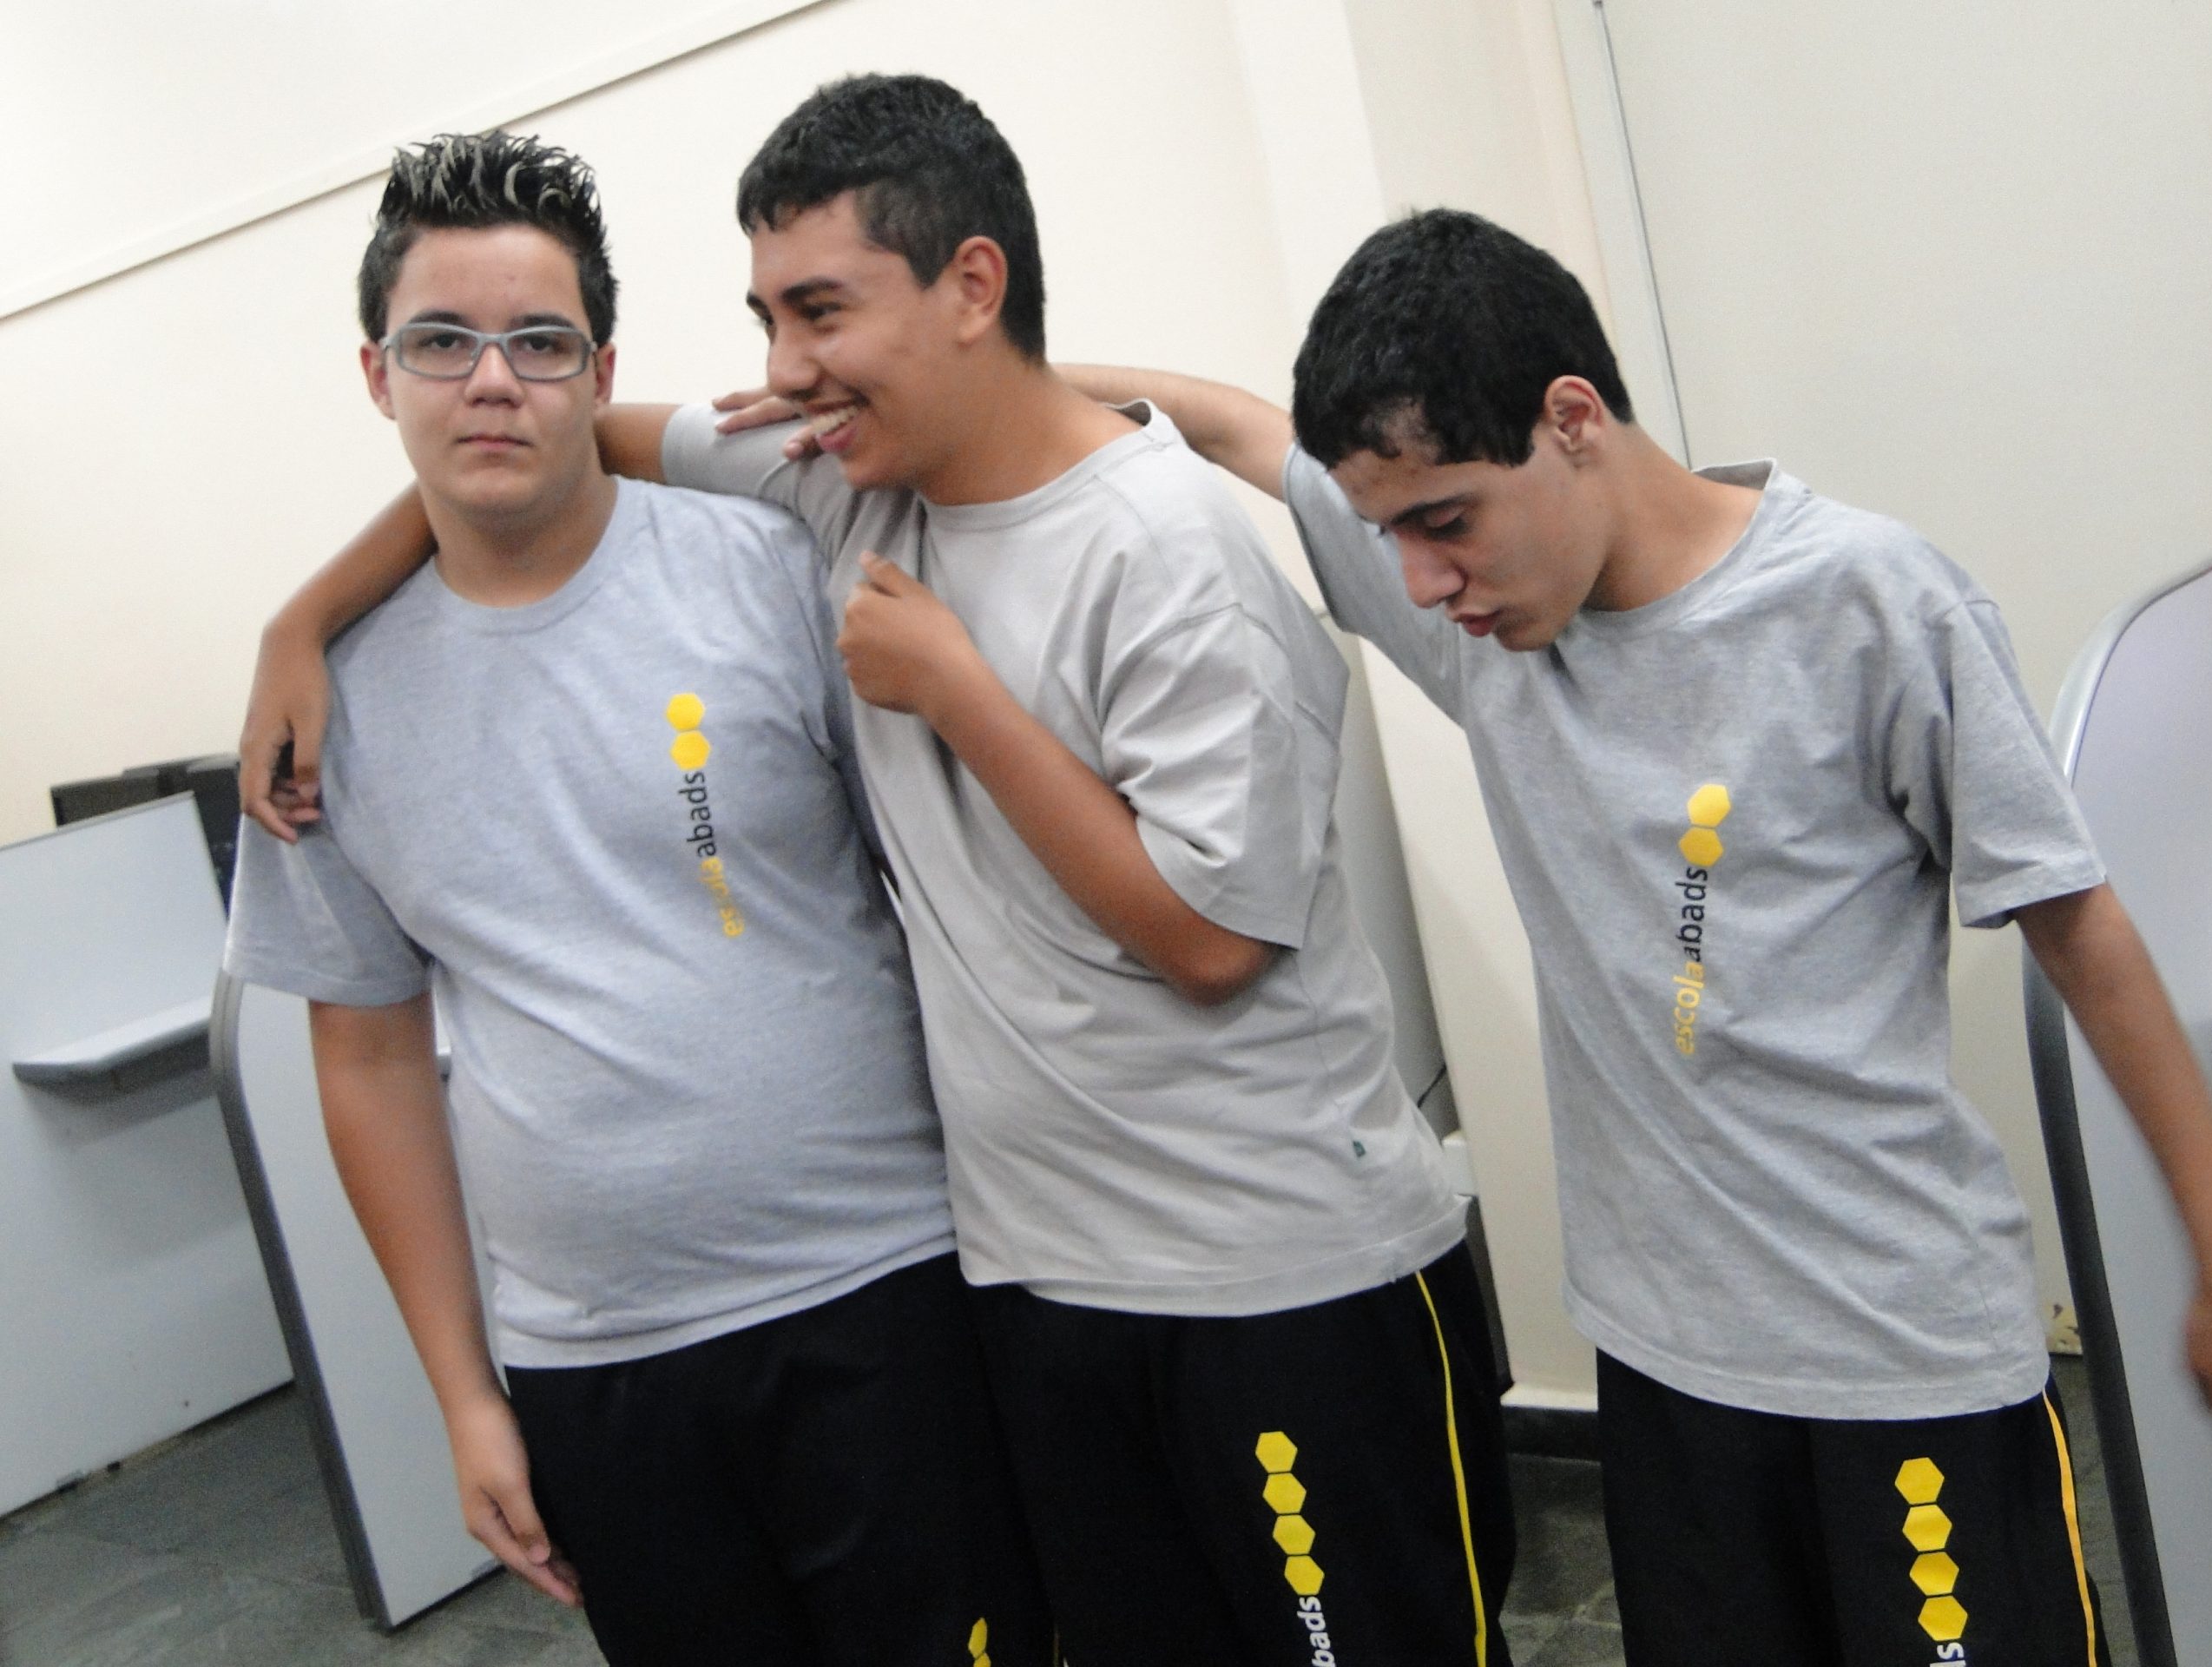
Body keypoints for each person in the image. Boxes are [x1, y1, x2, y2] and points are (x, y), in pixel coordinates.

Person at [240, 78, 1517, 1667]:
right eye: (769, 318)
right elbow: (537, 441)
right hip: (1039, 1282)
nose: (784, 368)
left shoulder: (1145, 547)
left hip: (1262, 1276)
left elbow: (1207, 944)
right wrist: (308, 614)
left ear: (972, 287)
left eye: (821, 311)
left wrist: (960, 689)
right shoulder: (839, 488)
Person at [1059, 208, 2212, 1666]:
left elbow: (2082, 932)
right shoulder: (1489, 625)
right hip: (1666, 1376)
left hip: (1904, 1358)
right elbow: (1233, 423)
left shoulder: (1869, 601)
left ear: (1573, 419)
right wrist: (970, 386)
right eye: (1387, 534)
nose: (1417, 583)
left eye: (1445, 523)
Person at [222, 129, 1051, 1667]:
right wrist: (464, 1393)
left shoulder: (769, 567)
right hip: (596, 1364)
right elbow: (371, 1058)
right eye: (442, 343)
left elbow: (942, 881)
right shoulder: (325, 709)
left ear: (602, 371)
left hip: (888, 1289)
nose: (492, 381)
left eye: (540, 343)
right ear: (376, 374)